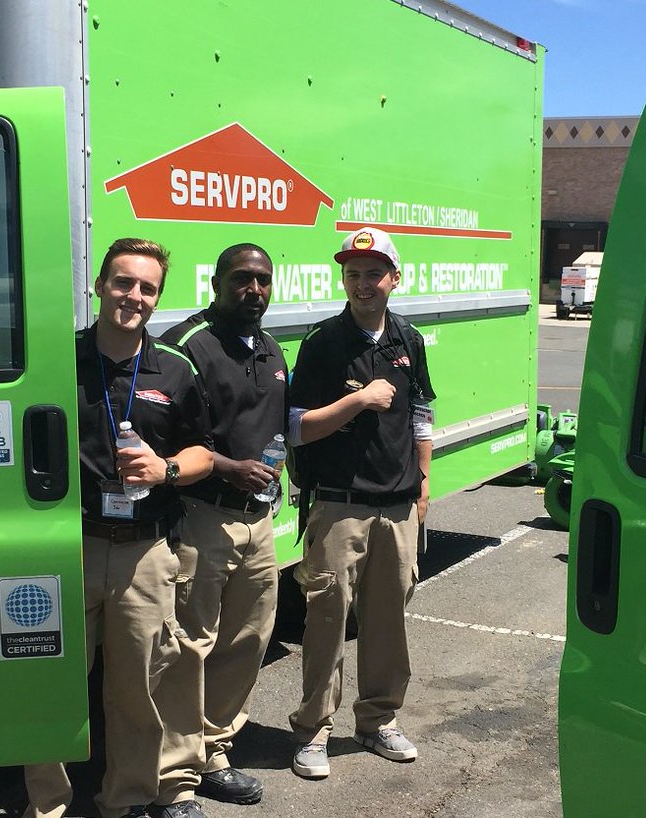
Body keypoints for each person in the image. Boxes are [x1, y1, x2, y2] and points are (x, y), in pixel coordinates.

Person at [24, 238, 214, 818]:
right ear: (100, 285)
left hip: (145, 550)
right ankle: (48, 804)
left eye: (147, 287)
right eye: (123, 282)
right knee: (53, 686)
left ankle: (125, 800)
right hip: (68, 545)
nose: (133, 296)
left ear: (158, 299)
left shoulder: (175, 370)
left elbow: (205, 450)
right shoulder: (56, 359)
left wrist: (167, 469)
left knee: (138, 690)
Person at [285, 227, 436, 779]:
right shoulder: (323, 343)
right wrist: (357, 400)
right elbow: (297, 428)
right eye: (353, 273)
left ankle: (377, 721)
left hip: (396, 505)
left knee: (388, 620)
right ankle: (313, 731)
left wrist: (422, 481)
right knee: (326, 618)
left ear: (395, 279)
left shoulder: (408, 340)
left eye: (374, 273)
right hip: (339, 506)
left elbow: (421, 412)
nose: (362, 283)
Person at [156, 244, 288, 812]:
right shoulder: (188, 347)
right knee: (188, 648)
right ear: (216, 282)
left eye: (262, 280)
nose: (253, 290)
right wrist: (228, 467)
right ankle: (173, 779)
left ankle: (214, 752)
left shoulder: (269, 347)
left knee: (247, 641)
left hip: (259, 521)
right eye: (241, 279)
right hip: (203, 519)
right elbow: (165, 435)